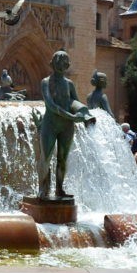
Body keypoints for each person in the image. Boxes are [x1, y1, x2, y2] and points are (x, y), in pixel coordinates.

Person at [36, 50, 95, 199]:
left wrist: (83, 113)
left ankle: (59, 189)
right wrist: (70, 115)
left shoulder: (69, 84)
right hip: (50, 124)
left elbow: (74, 101)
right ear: (52, 63)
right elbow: (50, 104)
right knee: (46, 157)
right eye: (58, 62)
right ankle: (43, 189)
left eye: (64, 63)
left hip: (67, 126)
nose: (61, 65)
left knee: (62, 158)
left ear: (67, 65)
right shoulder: (46, 82)